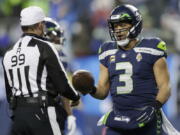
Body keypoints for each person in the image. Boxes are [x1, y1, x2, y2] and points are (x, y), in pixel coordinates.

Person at [78, 4, 171, 135]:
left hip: (145, 116)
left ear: (135, 24)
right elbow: (102, 91)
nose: (118, 29)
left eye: (122, 25)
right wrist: (90, 89)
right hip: (118, 117)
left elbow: (165, 87)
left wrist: (153, 107)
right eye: (116, 26)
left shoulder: (152, 48)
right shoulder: (107, 51)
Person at [2, 6, 80, 135]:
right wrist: (75, 96)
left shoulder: (9, 54)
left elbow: (9, 93)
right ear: (39, 25)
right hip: (42, 111)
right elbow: (61, 84)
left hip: (18, 116)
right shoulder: (44, 47)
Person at [44, 17, 77, 135]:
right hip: (49, 109)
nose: (58, 39)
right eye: (54, 36)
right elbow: (62, 89)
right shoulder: (57, 56)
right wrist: (70, 115)